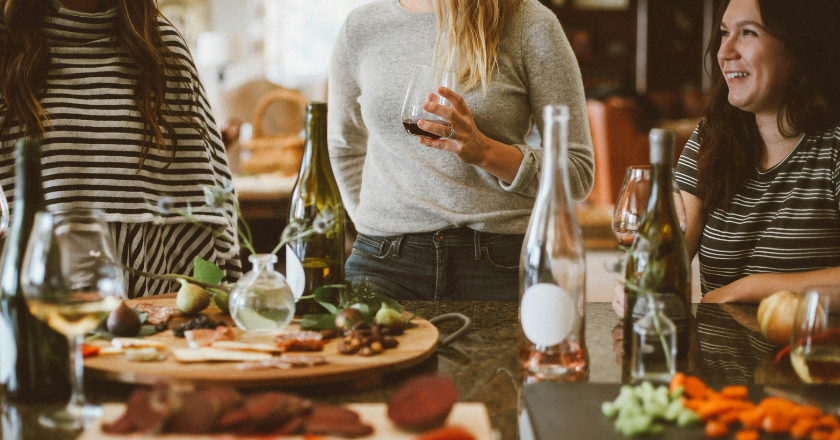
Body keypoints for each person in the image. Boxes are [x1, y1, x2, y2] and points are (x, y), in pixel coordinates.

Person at [328, 0, 594, 301]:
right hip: (383, 263)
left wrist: (485, 152)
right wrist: (370, 223)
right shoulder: (359, 27)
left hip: (501, 262)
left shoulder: (529, 22)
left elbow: (577, 173)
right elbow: (343, 149)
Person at [614, 0, 840, 317]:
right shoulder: (712, 135)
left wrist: (747, 289)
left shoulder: (833, 146)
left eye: (748, 32)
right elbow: (672, 247)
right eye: (723, 33)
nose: (725, 51)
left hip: (810, 359)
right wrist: (643, 279)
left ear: (800, 45)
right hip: (717, 362)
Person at [0, 0, 240, 298]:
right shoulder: (6, 46)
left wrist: (227, 298)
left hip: (157, 300)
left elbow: (214, 210)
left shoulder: (164, 47)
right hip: (33, 299)